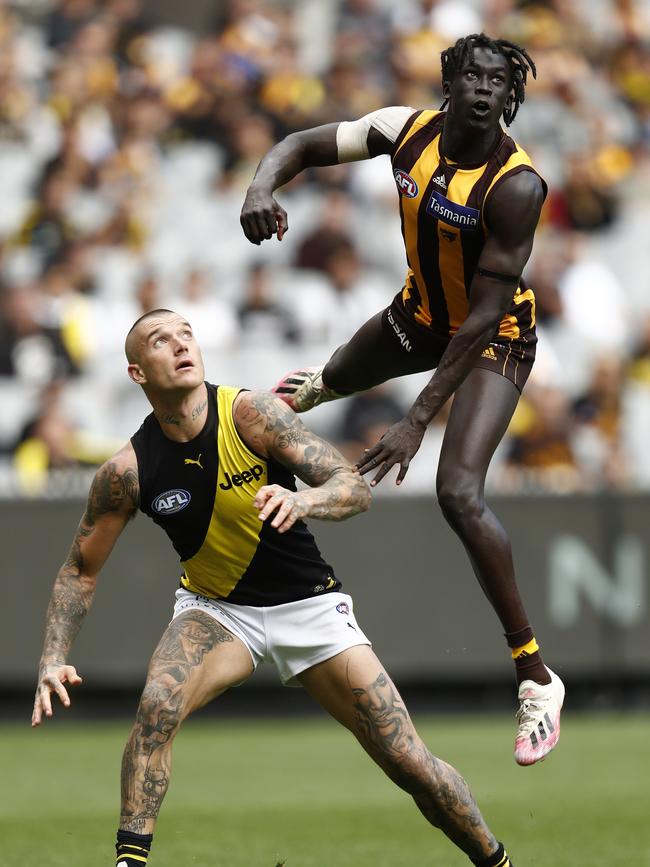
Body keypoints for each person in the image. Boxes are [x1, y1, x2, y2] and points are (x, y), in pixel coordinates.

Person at [33, 309, 518, 867]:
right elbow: (79, 570)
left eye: (186, 333)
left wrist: (302, 500)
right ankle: (128, 862)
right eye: (160, 341)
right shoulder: (126, 471)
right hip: (217, 612)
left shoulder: (250, 414)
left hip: (308, 606)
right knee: (157, 703)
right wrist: (52, 657)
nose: (179, 344)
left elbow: (352, 488)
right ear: (137, 373)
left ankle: (496, 860)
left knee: (409, 761)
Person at [240, 33, 565, 766]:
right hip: (418, 317)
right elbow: (300, 143)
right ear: (450, 81)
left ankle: (536, 676)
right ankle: (305, 399)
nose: (484, 88)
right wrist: (263, 187)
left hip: (491, 340)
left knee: (458, 493)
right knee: (312, 386)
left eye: (498, 81)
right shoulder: (402, 129)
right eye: (473, 75)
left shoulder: (517, 186)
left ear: (511, 96)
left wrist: (417, 419)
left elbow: (482, 315)